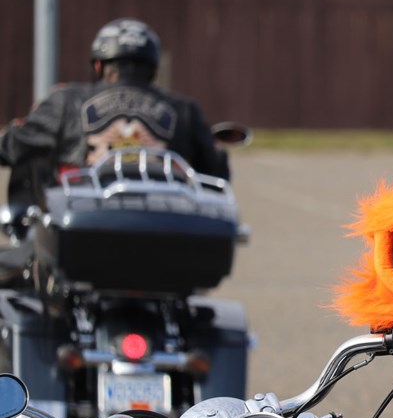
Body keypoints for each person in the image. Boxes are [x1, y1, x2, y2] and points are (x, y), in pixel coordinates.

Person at [0, 18, 228, 281]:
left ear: (99, 65)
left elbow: (10, 148)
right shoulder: (184, 110)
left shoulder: (67, 102)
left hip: (80, 240)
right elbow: (216, 176)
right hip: (161, 247)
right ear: (152, 69)